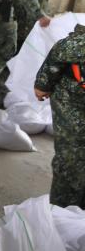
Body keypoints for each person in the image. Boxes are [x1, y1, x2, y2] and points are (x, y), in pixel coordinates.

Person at [33, 24, 85, 208]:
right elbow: (59, 53)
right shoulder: (76, 45)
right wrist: (43, 85)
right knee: (70, 156)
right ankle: (62, 209)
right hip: (73, 99)